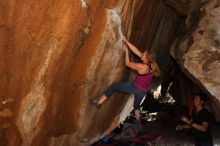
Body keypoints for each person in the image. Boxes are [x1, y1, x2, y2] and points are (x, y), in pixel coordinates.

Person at [90, 37, 161, 122]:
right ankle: (138, 121)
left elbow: (127, 64)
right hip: (143, 91)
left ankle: (98, 103)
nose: (141, 54)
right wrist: (126, 42)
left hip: (136, 87)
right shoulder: (151, 65)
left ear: (146, 59)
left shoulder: (142, 66)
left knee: (113, 87)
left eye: (143, 55)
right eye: (143, 53)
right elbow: (136, 51)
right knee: (136, 106)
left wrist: (126, 51)